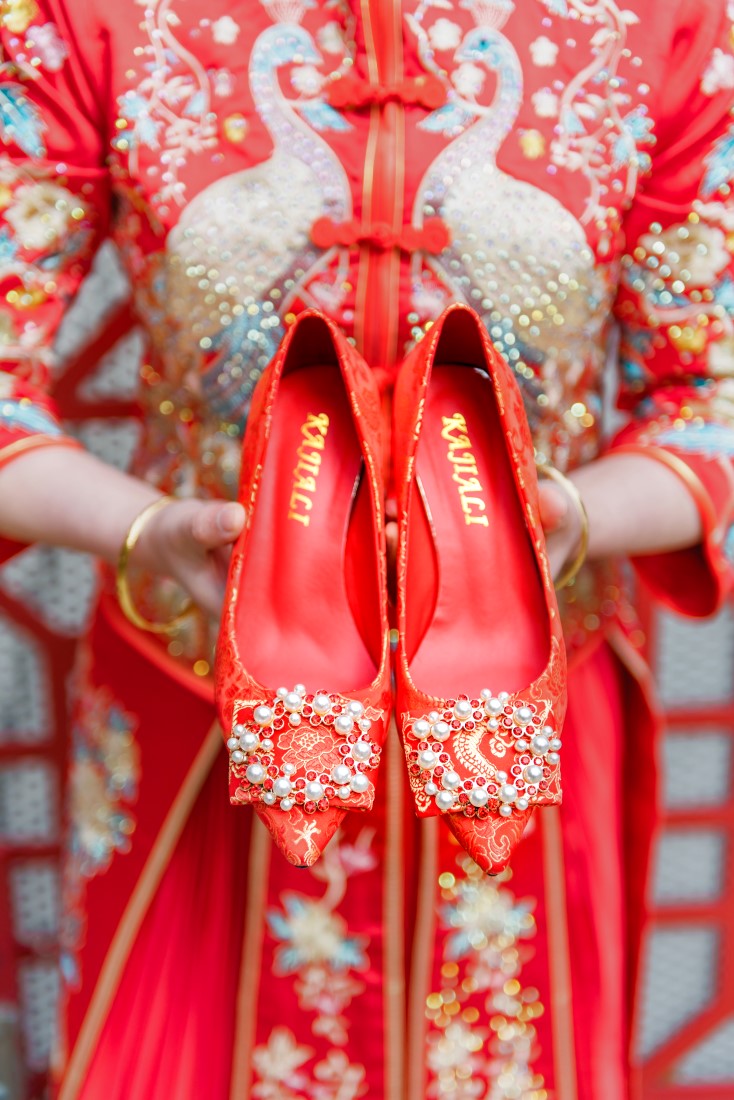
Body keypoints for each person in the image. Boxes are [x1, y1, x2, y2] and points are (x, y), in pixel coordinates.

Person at [1, 0, 733, 1096]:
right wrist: (143, 529)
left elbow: (706, 390)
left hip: (524, 710)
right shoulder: (83, 15)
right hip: (195, 702)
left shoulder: (668, 22)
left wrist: (579, 515)